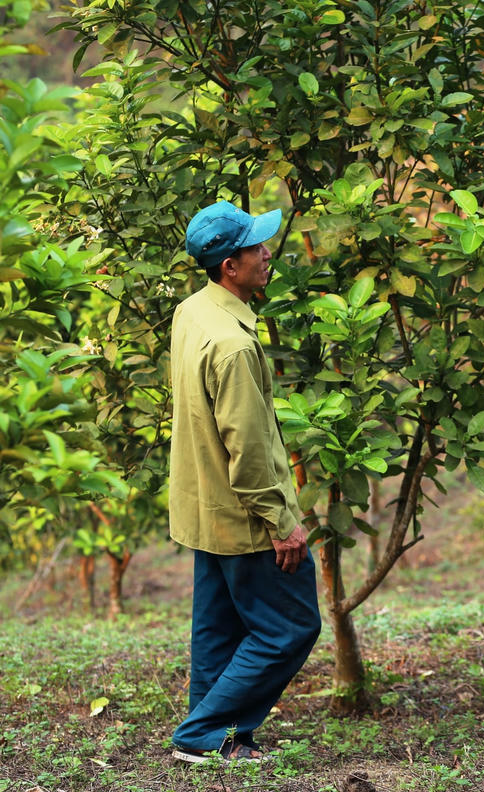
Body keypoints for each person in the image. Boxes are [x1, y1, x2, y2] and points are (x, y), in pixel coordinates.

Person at [168, 201, 322, 762]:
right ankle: (201, 732)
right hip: (246, 516)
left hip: (204, 507)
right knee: (292, 627)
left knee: (220, 629)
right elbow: (249, 450)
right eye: (257, 247)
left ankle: (213, 738)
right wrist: (283, 523)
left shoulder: (193, 313)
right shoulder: (232, 343)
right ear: (229, 265)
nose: (267, 254)